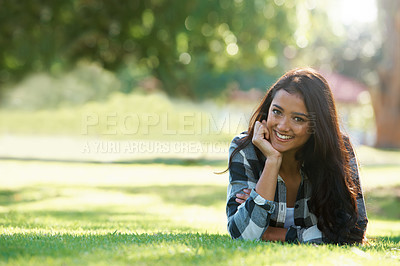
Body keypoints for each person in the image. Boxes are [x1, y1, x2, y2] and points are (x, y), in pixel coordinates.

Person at [226, 68, 368, 244]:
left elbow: (354, 231)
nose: (283, 126)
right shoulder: (246, 149)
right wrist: (272, 161)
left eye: (298, 119)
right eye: (277, 112)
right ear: (267, 110)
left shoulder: (338, 149)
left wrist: (273, 233)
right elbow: (243, 234)